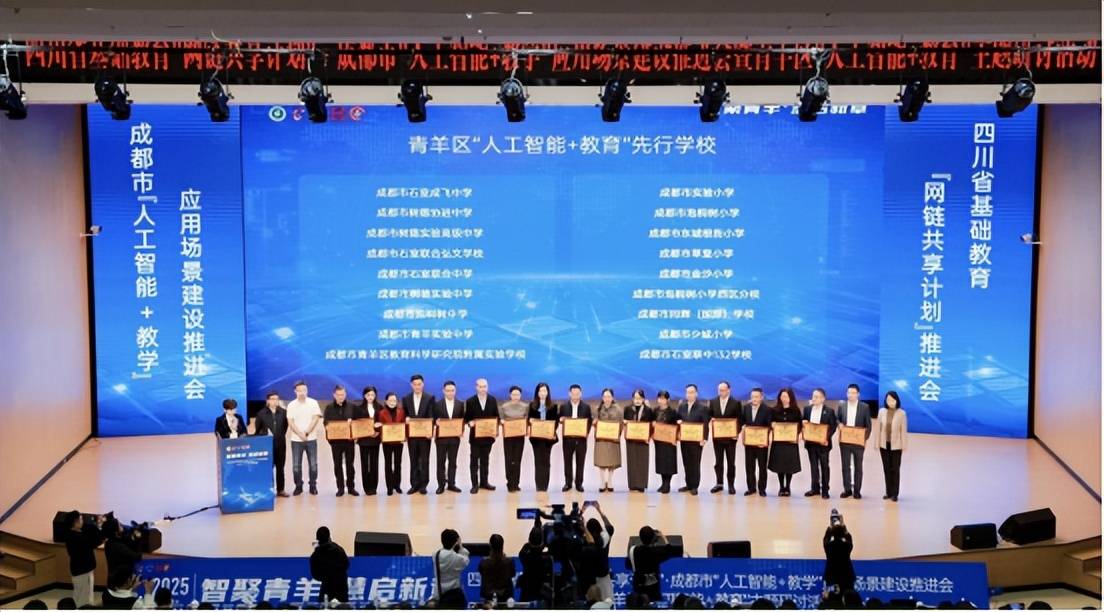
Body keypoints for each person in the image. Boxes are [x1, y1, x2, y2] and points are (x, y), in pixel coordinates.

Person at [286, 381, 323, 496]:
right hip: (296, 440)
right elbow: (290, 422)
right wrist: (300, 434)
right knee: (296, 466)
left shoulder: (313, 403)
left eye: (304, 390)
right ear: (295, 391)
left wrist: (306, 432)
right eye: (299, 390)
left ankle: (313, 485)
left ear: (307, 391)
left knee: (313, 465)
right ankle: (298, 486)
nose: (302, 392)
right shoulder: (291, 405)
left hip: (311, 439)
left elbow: (315, 418)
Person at [836, 384, 872, 500]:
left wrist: (864, 439)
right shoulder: (842, 406)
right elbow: (837, 419)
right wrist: (839, 424)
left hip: (858, 442)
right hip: (845, 441)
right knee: (845, 466)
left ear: (858, 394)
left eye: (853, 393)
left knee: (858, 466)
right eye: (849, 393)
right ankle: (847, 490)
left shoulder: (864, 407)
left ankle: (857, 491)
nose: (850, 395)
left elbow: (868, 426)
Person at [402, 374, 435, 495]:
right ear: (411, 385)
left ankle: (423, 485)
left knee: (424, 460)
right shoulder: (406, 399)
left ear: (423, 384)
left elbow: (431, 416)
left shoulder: (429, 398)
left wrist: (430, 431)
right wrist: (406, 419)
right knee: (413, 460)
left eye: (419, 384)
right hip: (412, 436)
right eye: (415, 384)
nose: (417, 386)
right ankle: (414, 485)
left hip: (425, 436)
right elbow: (404, 415)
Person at [464, 378, 499, 493]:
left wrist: (496, 430)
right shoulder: (470, 401)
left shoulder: (492, 400)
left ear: (487, 387)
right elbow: (467, 418)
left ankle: (484, 482)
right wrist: (469, 423)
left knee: (485, 460)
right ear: (476, 387)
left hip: (488, 437)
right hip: (475, 438)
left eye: (485, 386)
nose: (483, 389)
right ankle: (474, 484)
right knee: (474, 461)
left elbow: (496, 417)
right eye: (480, 386)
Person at [627, 525, 679, 602]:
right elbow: (669, 550)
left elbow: (628, 564)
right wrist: (663, 537)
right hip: (652, 589)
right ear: (653, 539)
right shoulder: (655, 552)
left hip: (638, 586)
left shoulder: (633, 550)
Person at [323, 385, 358, 497]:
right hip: (336, 442)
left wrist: (352, 424)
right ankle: (340, 488)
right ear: (334, 395)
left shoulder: (352, 407)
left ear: (345, 394)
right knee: (337, 464)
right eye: (338, 395)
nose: (341, 397)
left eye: (342, 394)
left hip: (349, 441)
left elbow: (357, 422)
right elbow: (325, 423)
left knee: (350, 464)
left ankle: (351, 487)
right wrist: (329, 429)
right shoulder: (329, 408)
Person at [64, 511, 104, 608]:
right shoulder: (79, 538)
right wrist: (99, 527)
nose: (83, 522)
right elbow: (96, 542)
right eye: (81, 519)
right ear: (76, 522)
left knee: (79, 595)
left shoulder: (70, 534)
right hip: (84, 571)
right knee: (85, 599)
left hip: (78, 570)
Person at [803, 388, 838, 499]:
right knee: (813, 466)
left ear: (823, 399)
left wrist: (826, 438)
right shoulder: (807, 409)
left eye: (817, 397)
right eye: (813, 396)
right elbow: (804, 423)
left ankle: (825, 490)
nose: (814, 399)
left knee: (824, 466)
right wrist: (803, 424)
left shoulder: (829, 411)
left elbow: (833, 426)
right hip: (811, 443)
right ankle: (814, 488)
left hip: (823, 444)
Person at [254, 391, 290, 497]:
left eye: (277, 399)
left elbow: (285, 427)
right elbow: (258, 430)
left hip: (280, 444)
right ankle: (269, 489)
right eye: (273, 399)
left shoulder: (283, 412)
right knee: (268, 468)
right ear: (268, 401)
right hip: (267, 445)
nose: (275, 401)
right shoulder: (261, 413)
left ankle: (280, 490)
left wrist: (279, 436)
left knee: (280, 468)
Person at [768, 388, 802, 496]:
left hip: (790, 442)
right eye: (782, 396)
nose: (784, 398)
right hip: (778, 442)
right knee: (779, 464)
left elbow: (800, 425)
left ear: (790, 397)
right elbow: (769, 422)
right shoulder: (774, 410)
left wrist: (799, 434)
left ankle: (788, 486)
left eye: (786, 396)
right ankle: (781, 486)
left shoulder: (796, 410)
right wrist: (772, 424)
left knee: (789, 465)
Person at [709, 381, 742, 495]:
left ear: (729, 390)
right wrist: (711, 419)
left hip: (730, 439)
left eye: (723, 390)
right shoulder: (713, 402)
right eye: (719, 390)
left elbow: (740, 419)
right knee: (718, 461)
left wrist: (736, 432)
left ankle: (731, 485)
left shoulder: (736, 403)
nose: (721, 392)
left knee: (731, 462)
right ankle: (719, 483)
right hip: (717, 438)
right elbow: (710, 415)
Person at [677, 384, 710, 495]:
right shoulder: (682, 406)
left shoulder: (702, 408)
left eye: (692, 392)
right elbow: (678, 420)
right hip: (684, 439)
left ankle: (695, 486)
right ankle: (688, 484)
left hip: (696, 441)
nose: (689, 394)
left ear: (696, 393)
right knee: (686, 462)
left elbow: (705, 424)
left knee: (695, 463)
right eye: (688, 392)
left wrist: (704, 438)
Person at [578, 502, 615, 601]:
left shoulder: (585, 542)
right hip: (603, 573)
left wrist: (581, 512)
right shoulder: (605, 538)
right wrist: (599, 510)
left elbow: (575, 527)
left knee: (593, 600)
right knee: (608, 600)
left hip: (590, 576)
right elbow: (609, 526)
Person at [433, 380, 465, 494]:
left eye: (452, 390)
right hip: (441, 438)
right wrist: (435, 422)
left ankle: (451, 484)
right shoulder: (437, 404)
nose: (450, 393)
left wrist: (461, 430)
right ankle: (441, 485)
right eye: (448, 391)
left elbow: (462, 420)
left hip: (454, 439)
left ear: (455, 391)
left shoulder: (460, 404)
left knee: (453, 462)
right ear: (443, 391)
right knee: (440, 462)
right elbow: (433, 419)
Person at [877, 391, 908, 502]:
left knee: (895, 469)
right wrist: (877, 443)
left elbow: (903, 431)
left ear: (897, 400)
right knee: (886, 469)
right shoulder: (881, 411)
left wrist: (904, 445)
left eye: (892, 400)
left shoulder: (902, 413)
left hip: (896, 445)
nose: (890, 402)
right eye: (888, 400)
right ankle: (888, 492)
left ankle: (895, 493)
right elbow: (878, 429)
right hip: (884, 445)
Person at [560, 384, 592, 493]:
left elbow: (589, 421)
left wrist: (586, 432)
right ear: (569, 394)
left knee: (580, 461)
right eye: (573, 393)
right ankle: (568, 483)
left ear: (581, 394)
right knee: (567, 461)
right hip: (567, 439)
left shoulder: (586, 407)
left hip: (581, 439)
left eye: (577, 393)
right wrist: (561, 420)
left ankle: (579, 484)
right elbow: (560, 418)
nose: (575, 395)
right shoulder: (563, 406)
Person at [528, 383, 559, 492]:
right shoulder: (532, 405)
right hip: (536, 439)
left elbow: (556, 422)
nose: (543, 393)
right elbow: (529, 419)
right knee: (538, 461)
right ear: (537, 393)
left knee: (546, 461)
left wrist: (551, 431)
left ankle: (544, 485)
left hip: (548, 439)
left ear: (548, 393)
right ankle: (539, 485)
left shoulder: (553, 406)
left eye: (545, 391)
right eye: (541, 391)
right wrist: (530, 421)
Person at [353, 386, 383, 496]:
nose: (370, 397)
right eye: (368, 395)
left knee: (374, 463)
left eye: (372, 395)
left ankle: (373, 487)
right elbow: (357, 424)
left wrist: (378, 432)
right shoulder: (358, 408)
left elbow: (382, 422)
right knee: (365, 464)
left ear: (375, 396)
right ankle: (367, 487)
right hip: (364, 440)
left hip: (375, 439)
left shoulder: (380, 407)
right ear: (364, 396)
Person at [741, 387, 772, 497]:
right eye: (752, 396)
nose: (754, 399)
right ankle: (751, 488)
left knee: (762, 467)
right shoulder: (745, 408)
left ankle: (762, 489)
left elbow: (769, 426)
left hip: (761, 444)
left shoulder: (767, 410)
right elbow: (742, 422)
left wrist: (764, 439)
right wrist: (742, 427)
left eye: (756, 396)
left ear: (761, 397)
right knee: (749, 466)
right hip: (749, 444)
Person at [623, 389, 654, 492]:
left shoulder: (648, 410)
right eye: (635, 398)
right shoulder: (627, 409)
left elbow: (651, 425)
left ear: (643, 399)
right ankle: (632, 484)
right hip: (631, 439)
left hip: (643, 440)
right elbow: (624, 423)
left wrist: (649, 437)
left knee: (642, 461)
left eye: (639, 398)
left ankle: (641, 484)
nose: (637, 400)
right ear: (632, 399)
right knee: (631, 461)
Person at [309, 526, 350, 604]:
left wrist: (326, 577)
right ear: (329, 537)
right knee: (343, 607)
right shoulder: (339, 550)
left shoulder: (316, 555)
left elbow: (315, 574)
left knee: (324, 606)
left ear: (318, 539)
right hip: (341, 587)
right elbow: (346, 564)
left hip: (327, 588)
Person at [593, 389, 623, 493]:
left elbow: (621, 424)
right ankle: (602, 482)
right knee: (601, 460)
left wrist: (617, 434)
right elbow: (594, 422)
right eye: (605, 396)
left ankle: (610, 481)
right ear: (602, 398)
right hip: (601, 438)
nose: (607, 399)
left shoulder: (618, 409)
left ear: (612, 397)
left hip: (613, 438)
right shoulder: (598, 408)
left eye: (609, 396)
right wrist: (595, 423)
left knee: (612, 461)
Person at [500, 385, 529, 492]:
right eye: (514, 394)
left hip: (520, 437)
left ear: (520, 395)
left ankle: (516, 483)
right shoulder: (504, 407)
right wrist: (502, 422)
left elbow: (527, 420)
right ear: (510, 395)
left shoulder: (525, 406)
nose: (516, 396)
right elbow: (500, 419)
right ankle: (509, 483)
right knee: (509, 459)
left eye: (518, 394)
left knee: (517, 460)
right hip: (508, 437)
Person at [432, 529, 470, 610]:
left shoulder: (435, 555)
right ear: (456, 542)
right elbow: (466, 561)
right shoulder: (456, 558)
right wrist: (461, 547)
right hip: (454, 595)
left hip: (440, 594)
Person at [377, 392, 406, 496]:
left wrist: (404, 436)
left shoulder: (401, 412)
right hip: (387, 443)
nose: (392, 402)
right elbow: (380, 428)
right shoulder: (381, 413)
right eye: (390, 400)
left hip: (398, 442)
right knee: (388, 464)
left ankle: (397, 485)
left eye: (394, 400)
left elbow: (404, 425)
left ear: (397, 401)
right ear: (386, 401)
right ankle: (389, 487)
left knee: (398, 464)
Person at [517, 525, 553, 603]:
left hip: (527, 588)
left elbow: (524, 550)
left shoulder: (524, 555)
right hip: (541, 589)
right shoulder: (545, 558)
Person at [653, 391, 679, 493]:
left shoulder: (673, 412)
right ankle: (663, 483)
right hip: (659, 441)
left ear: (668, 400)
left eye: (663, 398)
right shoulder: (655, 411)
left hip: (669, 441)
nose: (661, 400)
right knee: (661, 462)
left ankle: (667, 484)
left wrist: (675, 438)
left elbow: (677, 426)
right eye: (659, 398)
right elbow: (651, 424)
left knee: (669, 462)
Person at [822, 513, 855, 595]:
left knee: (832, 596)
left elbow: (826, 538)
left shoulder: (829, 546)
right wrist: (843, 524)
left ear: (832, 534)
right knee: (848, 595)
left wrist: (830, 526)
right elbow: (849, 538)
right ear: (843, 534)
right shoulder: (846, 545)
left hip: (831, 576)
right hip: (847, 576)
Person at [477, 533, 515, 603]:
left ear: (490, 546)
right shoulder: (509, 562)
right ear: (502, 546)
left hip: (488, 597)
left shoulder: (484, 563)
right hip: (505, 597)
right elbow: (512, 574)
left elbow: (481, 572)